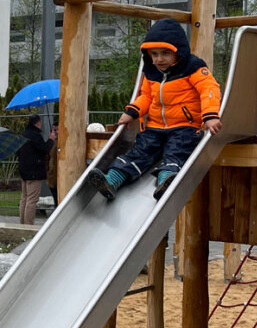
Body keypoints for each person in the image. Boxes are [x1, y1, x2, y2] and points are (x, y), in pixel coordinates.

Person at [86, 18, 222, 202]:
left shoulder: (193, 68)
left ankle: (166, 181)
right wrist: (132, 111)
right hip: (155, 127)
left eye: (166, 53)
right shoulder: (153, 73)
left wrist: (210, 116)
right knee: (140, 151)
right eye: (155, 54)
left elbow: (209, 89)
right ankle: (111, 181)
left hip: (185, 126)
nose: (159, 59)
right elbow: (146, 96)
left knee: (176, 151)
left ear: (179, 51)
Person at [16, 115, 54, 226]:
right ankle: (28, 225)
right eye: (40, 123)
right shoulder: (36, 136)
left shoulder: (23, 135)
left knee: (24, 198)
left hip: (24, 171)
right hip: (34, 172)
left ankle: (22, 224)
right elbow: (45, 148)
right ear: (37, 123)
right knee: (32, 200)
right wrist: (51, 139)